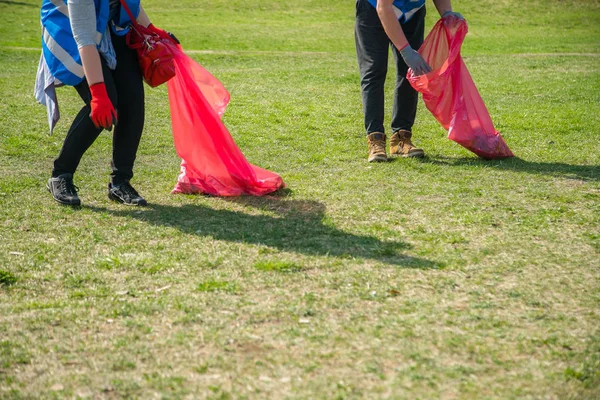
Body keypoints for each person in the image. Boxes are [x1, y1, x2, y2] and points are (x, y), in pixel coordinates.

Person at [35, 0, 178, 206]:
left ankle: (120, 182)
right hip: (70, 32)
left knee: (133, 100)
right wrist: (98, 93)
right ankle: (61, 174)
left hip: (111, 28)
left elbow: (129, 4)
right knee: (107, 100)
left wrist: (152, 30)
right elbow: (84, 38)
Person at [355, 0, 463, 162]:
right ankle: (375, 139)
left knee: (412, 72)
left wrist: (447, 13)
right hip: (373, 10)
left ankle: (401, 138)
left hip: (412, 14)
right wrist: (405, 50)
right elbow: (383, 7)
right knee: (374, 71)